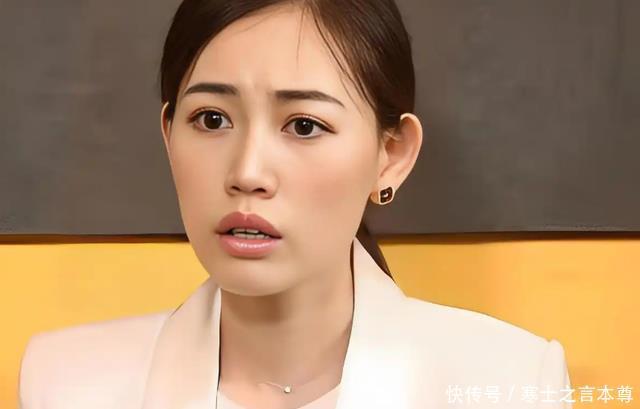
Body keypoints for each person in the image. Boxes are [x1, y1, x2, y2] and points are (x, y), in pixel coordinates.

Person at [17, 0, 572, 408]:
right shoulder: (64, 383)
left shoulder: (513, 382)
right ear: (168, 135)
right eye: (212, 119)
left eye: (304, 125)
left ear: (391, 155)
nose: (247, 173)